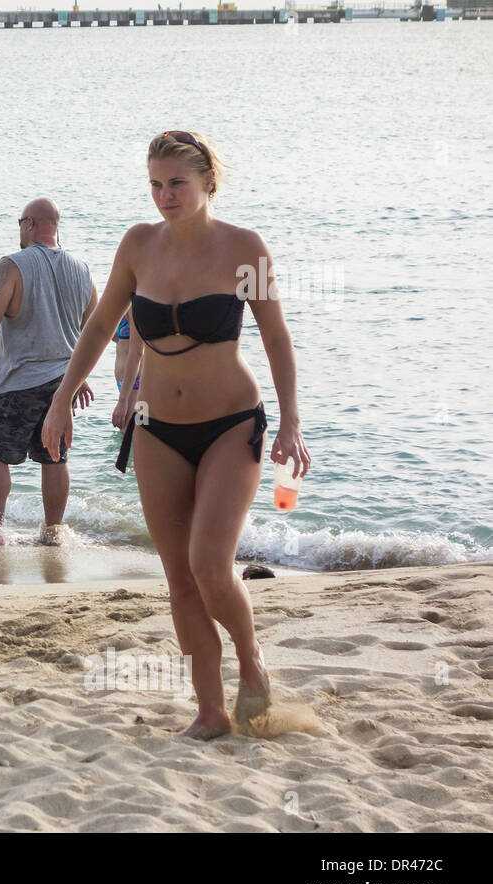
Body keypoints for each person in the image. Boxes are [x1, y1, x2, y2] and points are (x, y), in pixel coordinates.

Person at [40, 131, 311, 738]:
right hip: (155, 428)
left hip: (230, 425)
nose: (165, 195)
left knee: (211, 565)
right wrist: (62, 398)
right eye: (156, 184)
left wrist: (290, 422)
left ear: (208, 182)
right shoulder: (138, 245)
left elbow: (276, 339)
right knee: (180, 579)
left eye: (177, 183)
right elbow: (100, 324)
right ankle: (210, 711)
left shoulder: (245, 248)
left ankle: (251, 656)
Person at [0, 197, 96, 547]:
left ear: (29, 224)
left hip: (18, 381)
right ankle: (53, 532)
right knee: (54, 456)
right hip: (62, 383)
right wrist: (80, 377)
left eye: (20, 222)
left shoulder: (8, 266)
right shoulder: (82, 268)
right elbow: (93, 328)